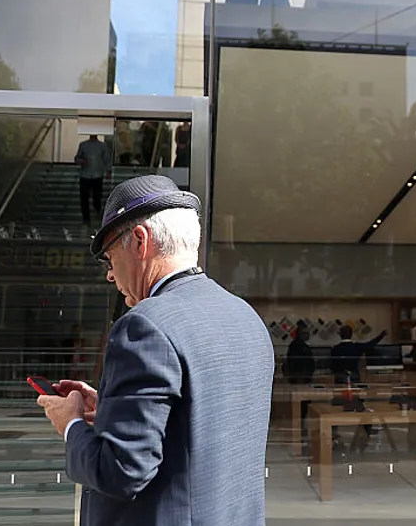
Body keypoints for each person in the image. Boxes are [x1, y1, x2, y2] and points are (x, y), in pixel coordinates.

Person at [35, 175, 273, 526]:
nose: (110, 275)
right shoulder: (244, 316)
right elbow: (198, 426)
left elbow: (121, 472)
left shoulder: (145, 325)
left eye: (109, 257)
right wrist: (112, 411)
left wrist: (70, 424)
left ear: (141, 241)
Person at [75, 135, 112, 229]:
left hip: (97, 175)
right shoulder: (83, 145)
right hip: (85, 175)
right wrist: (81, 161)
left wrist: (108, 171)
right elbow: (77, 157)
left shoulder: (102, 146)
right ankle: (86, 218)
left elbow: (107, 159)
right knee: (84, 198)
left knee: (97, 196)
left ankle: (97, 211)